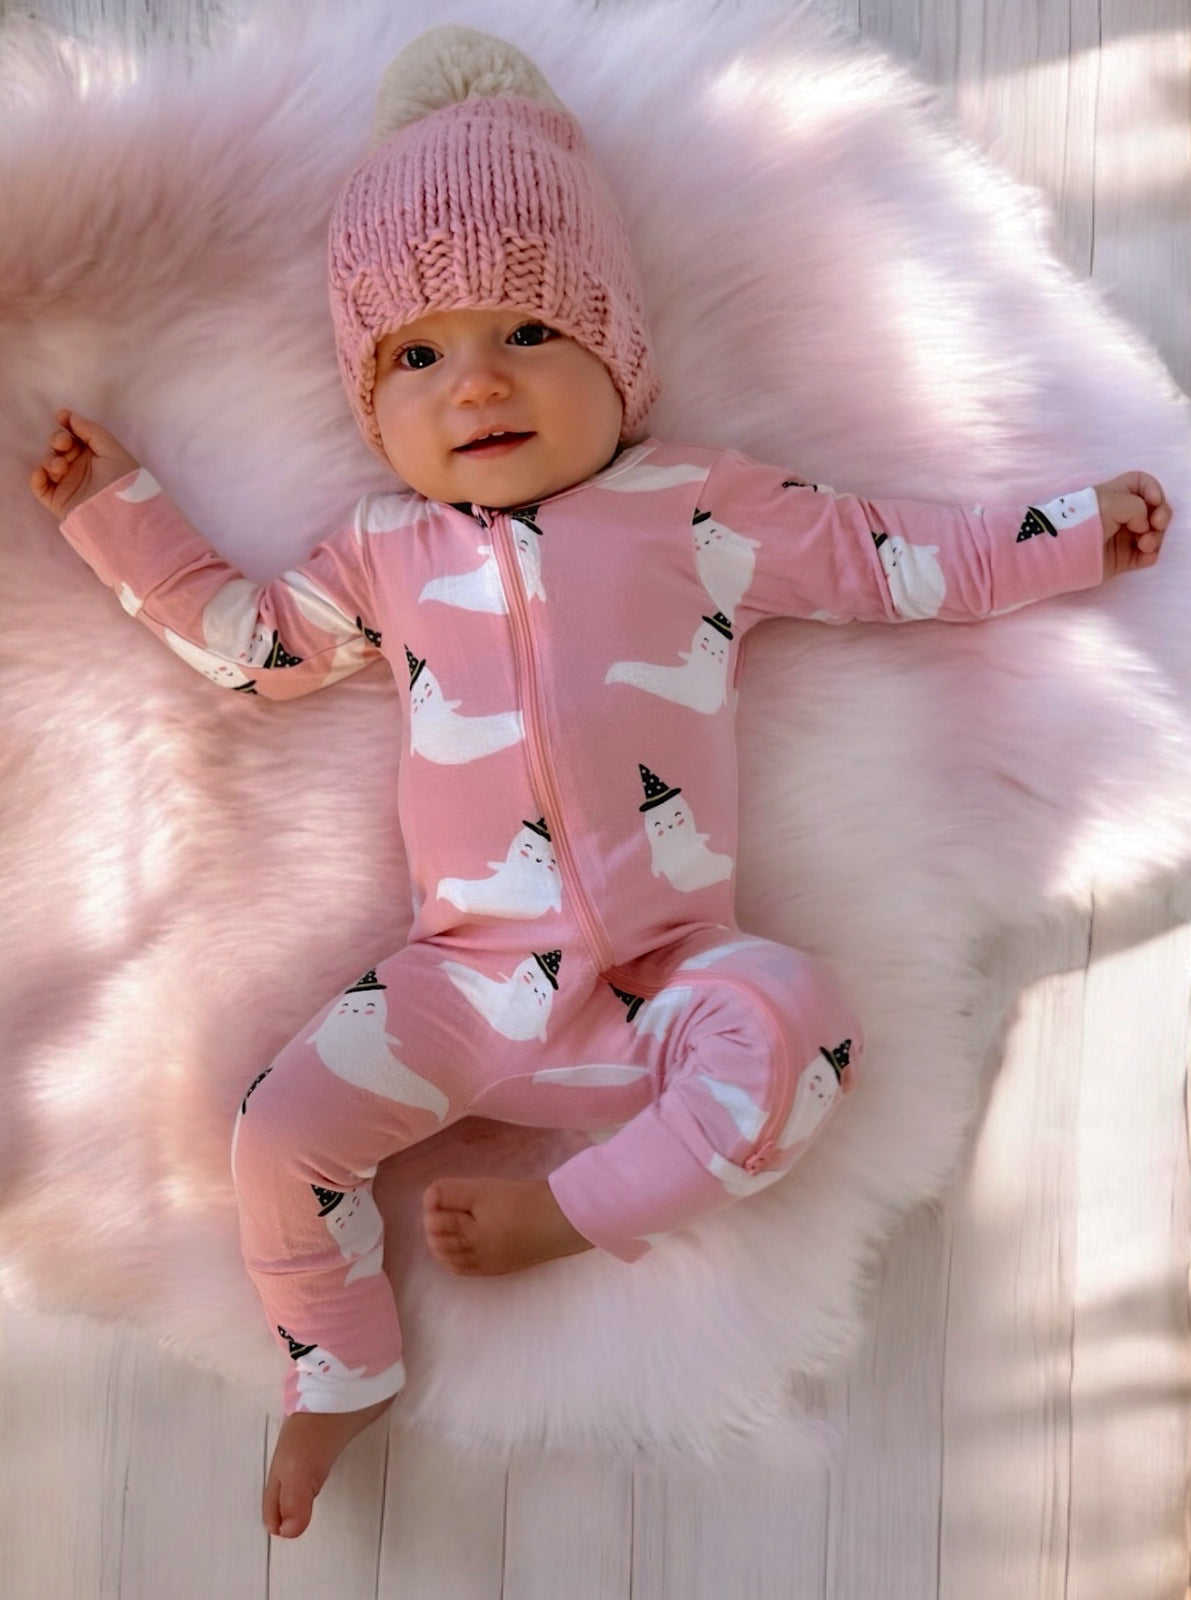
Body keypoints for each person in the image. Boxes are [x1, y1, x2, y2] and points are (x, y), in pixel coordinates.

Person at [28, 24, 1170, 1541]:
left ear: (618, 353)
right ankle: (338, 1367)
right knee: (273, 1137)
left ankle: (571, 1213)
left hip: (666, 986)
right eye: (418, 356)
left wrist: (1075, 531)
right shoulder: (386, 552)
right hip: (455, 989)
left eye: (531, 334)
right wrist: (123, 516)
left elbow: (903, 560)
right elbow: (251, 649)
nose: (478, 381)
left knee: (808, 1030)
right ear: (372, 409)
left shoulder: (699, 509)